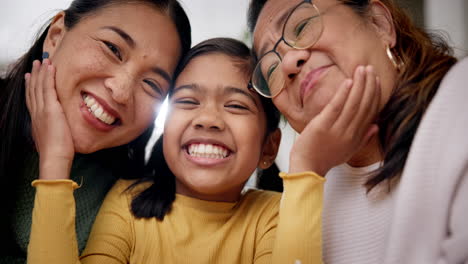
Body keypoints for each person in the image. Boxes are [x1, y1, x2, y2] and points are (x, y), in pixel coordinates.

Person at [27, 36, 380, 263]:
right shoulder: (128, 202)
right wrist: (55, 163)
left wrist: (306, 171)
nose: (208, 119)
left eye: (237, 106)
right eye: (188, 101)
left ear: (268, 148)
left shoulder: (275, 216)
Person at [248, 0, 468, 263]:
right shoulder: (305, 199)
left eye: (303, 26)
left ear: (379, 23)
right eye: (271, 69)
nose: (288, 64)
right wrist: (305, 169)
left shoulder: (460, 101)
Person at [0, 0, 191, 262]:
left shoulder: (131, 203)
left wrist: (55, 162)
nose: (121, 91)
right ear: (56, 36)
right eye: (112, 49)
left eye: (152, 84)